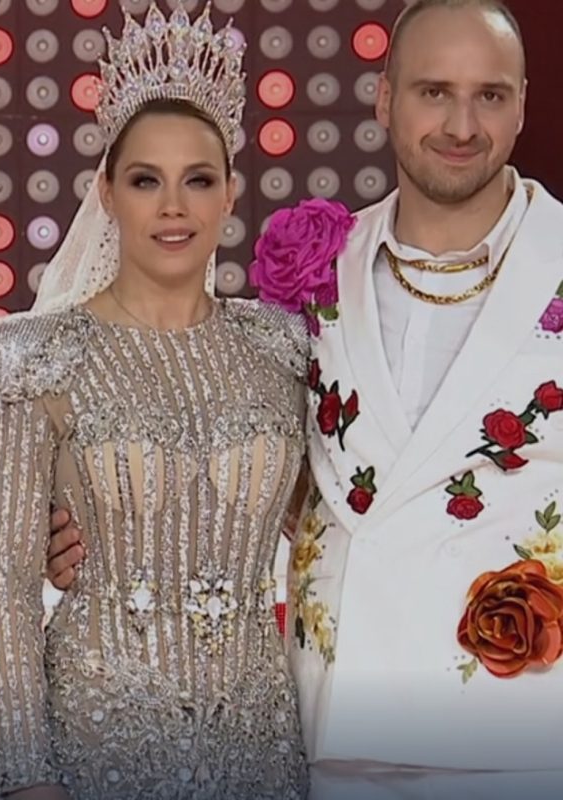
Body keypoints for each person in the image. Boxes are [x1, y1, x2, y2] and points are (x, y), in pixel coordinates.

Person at [49, 1, 563, 797]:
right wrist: (96, 529)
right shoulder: (316, 271)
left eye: (489, 95)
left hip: (524, 730)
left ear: (523, 103)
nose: (462, 125)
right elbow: (251, 470)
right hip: (337, 723)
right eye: (433, 92)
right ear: (384, 98)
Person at [0, 5, 309, 798]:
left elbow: (323, 523)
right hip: (96, 742)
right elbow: (7, 592)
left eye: (198, 180)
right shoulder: (30, 360)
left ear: (230, 195)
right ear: (107, 194)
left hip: (261, 745)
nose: (173, 206)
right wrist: (27, 778)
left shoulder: (284, 350)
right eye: (146, 180)